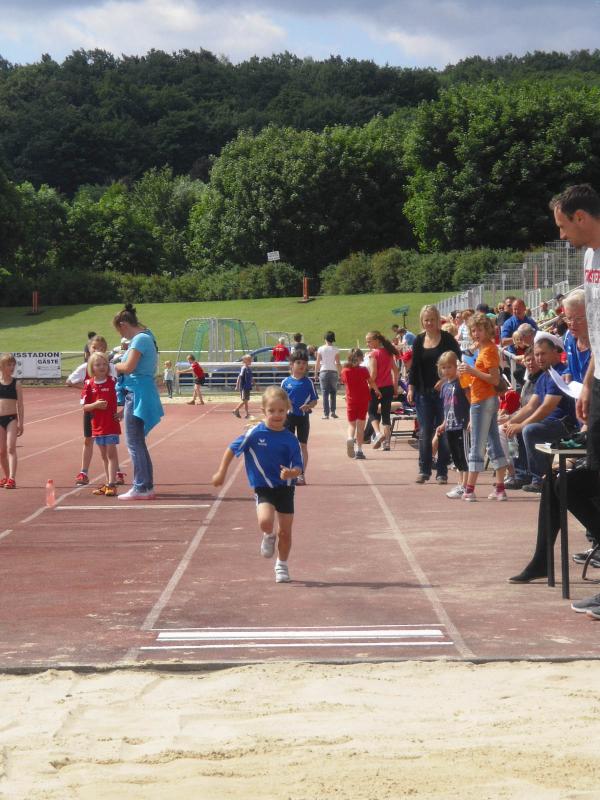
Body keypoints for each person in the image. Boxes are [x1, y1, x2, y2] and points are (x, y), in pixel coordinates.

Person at [212, 386, 303, 583]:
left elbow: (298, 466)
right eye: (272, 410)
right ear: (263, 411)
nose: (277, 415)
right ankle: (268, 535)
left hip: (286, 488)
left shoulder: (290, 439)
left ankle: (282, 565)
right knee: (265, 521)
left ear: (287, 410)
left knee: (285, 532)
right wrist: (221, 472)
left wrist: (292, 472)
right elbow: (232, 449)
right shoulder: (254, 433)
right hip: (263, 487)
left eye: (281, 411)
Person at [504, 333, 577, 493]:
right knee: (515, 428)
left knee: (529, 430)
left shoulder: (560, 373)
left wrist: (521, 425)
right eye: (537, 354)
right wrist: (510, 421)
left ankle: (542, 479)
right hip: (549, 423)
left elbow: (547, 407)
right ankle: (522, 474)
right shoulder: (544, 375)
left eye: (543, 354)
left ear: (555, 352)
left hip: (564, 424)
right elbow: (530, 406)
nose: (539, 358)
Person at [113, 304, 164, 501]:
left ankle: (141, 486)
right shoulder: (145, 336)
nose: (122, 336)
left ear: (124, 325)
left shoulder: (140, 339)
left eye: (120, 331)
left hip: (138, 393)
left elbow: (129, 366)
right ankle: (145, 485)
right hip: (139, 392)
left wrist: (113, 365)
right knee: (138, 442)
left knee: (134, 443)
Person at [457, 312, 509, 502]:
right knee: (493, 442)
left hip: (482, 400)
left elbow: (494, 379)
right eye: (473, 330)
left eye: (479, 330)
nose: (476, 334)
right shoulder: (484, 348)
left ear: (487, 330)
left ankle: (469, 489)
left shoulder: (488, 350)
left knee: (477, 444)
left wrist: (472, 371)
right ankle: (500, 488)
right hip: (484, 398)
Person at [408, 305, 462, 484]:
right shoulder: (418, 340)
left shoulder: (447, 339)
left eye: (432, 319)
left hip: (445, 393)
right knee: (424, 431)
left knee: (444, 431)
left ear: (438, 320)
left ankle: (442, 471)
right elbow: (414, 366)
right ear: (422, 321)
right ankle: (424, 469)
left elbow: (458, 363)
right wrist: (411, 388)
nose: (429, 323)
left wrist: (446, 379)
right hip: (423, 393)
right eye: (426, 320)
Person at [66, 334, 125, 487]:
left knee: (110, 448)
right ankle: (84, 472)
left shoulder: (110, 369)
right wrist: (89, 389)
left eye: (101, 348)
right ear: (89, 349)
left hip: (108, 413)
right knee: (90, 441)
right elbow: (69, 381)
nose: (98, 350)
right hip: (92, 412)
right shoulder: (85, 369)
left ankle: (115, 474)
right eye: (94, 347)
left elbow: (120, 387)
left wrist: (121, 408)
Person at [82, 352, 121, 497]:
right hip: (97, 426)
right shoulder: (89, 384)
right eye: (98, 364)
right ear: (92, 367)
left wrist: (122, 413)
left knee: (111, 454)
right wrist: (95, 405)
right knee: (104, 455)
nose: (102, 367)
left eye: (104, 364)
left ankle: (112, 484)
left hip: (111, 424)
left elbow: (129, 396)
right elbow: (85, 407)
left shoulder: (113, 382)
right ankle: (108, 482)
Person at [435, 351, 470, 499]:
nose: (446, 370)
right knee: (456, 456)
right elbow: (447, 407)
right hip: (450, 425)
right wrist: (443, 424)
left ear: (456, 367)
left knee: (464, 455)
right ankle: (461, 483)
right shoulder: (444, 387)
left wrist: (471, 419)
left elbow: (471, 400)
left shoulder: (461, 383)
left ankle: (466, 485)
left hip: (461, 424)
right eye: (443, 367)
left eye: (449, 367)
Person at [281, 352, 318, 483]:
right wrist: (286, 405)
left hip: (303, 418)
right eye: (298, 363)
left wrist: (308, 406)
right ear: (292, 365)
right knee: (288, 445)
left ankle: (301, 475)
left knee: (303, 445)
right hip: (288, 418)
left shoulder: (308, 382)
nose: (302, 365)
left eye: (304, 363)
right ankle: (288, 472)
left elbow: (315, 400)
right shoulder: (285, 382)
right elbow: (280, 400)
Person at [365, 330, 400, 452]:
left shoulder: (374, 354)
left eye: (369, 341)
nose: (367, 344)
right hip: (388, 387)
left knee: (371, 412)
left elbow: (373, 374)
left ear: (377, 340)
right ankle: (387, 443)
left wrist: (368, 386)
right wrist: (395, 386)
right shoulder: (388, 353)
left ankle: (378, 433)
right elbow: (396, 371)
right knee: (386, 415)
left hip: (376, 388)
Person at [341, 348, 376, 460]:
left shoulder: (345, 371)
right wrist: (377, 390)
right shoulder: (364, 370)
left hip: (351, 400)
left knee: (352, 425)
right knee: (361, 427)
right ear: (360, 358)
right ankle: (359, 450)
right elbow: (371, 381)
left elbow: (345, 383)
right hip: (363, 400)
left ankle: (350, 438)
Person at [0, 353, 24, 489]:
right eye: (9, 365)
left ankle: (12, 478)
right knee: (1, 451)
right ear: (2, 366)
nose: (12, 367)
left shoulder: (16, 383)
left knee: (11, 447)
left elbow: (20, 405)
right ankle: (6, 476)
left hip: (11, 419)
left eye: (13, 364)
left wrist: (21, 423)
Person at [314, 331, 341, 419]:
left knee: (325, 393)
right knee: (333, 392)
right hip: (333, 371)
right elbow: (338, 363)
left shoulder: (321, 349)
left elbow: (317, 362)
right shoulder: (336, 349)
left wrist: (316, 373)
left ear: (325, 339)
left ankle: (326, 414)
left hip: (324, 371)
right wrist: (340, 374)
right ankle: (333, 411)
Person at [233, 354, 254, 419]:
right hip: (244, 387)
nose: (251, 361)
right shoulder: (244, 368)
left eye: (251, 359)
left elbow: (251, 378)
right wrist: (237, 385)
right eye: (249, 360)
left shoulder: (249, 369)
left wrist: (255, 385)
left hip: (248, 387)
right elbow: (239, 377)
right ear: (245, 361)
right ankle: (236, 410)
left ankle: (247, 414)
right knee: (245, 400)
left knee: (246, 401)